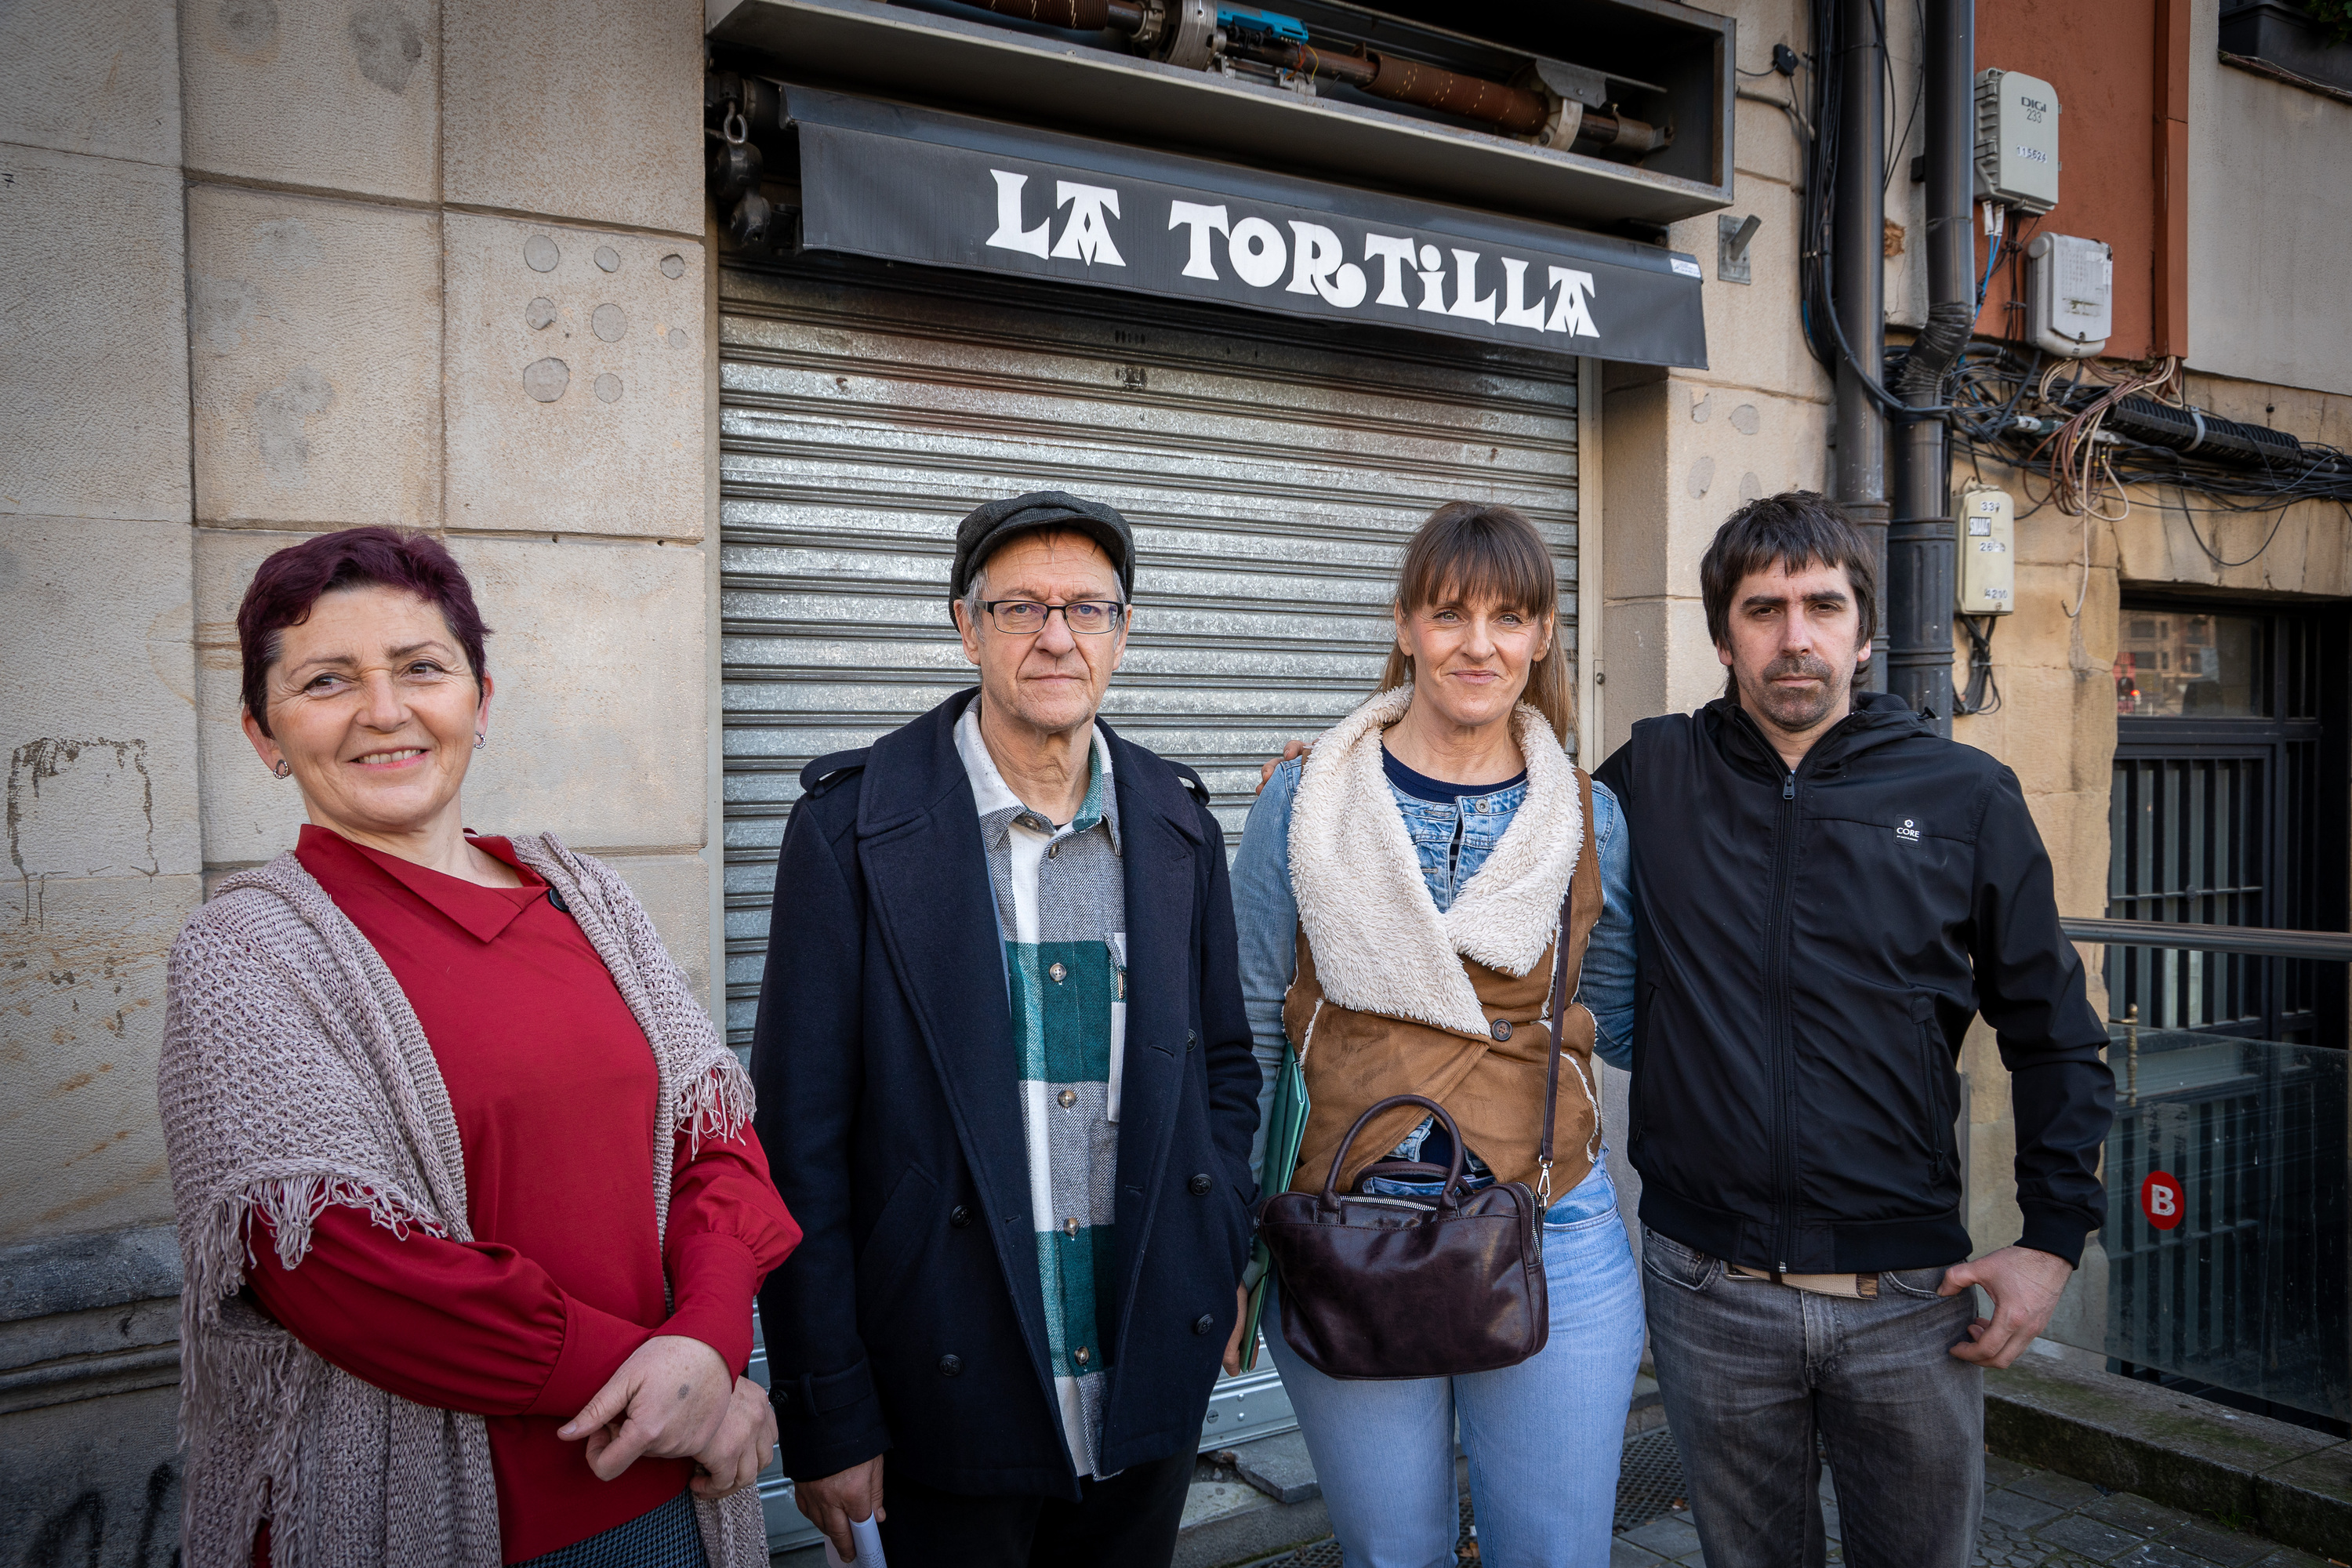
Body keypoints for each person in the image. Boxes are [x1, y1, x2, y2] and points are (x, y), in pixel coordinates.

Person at [158, 527, 800, 1568]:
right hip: (429, 1519)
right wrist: (673, 1381)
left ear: (480, 701)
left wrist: (715, 1339)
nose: (384, 709)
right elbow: (335, 1267)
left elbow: (715, 1140)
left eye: (422, 669)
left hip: (670, 1498)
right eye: (327, 680)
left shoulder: (591, 900)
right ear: (263, 734)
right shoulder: (245, 954)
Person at [1593, 492, 2114, 1566]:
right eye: (1763, 608)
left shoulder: (1966, 793)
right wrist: (1338, 773)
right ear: (1721, 633)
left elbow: (2054, 1030)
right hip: (1708, 1290)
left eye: (1823, 605)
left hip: (1911, 1301)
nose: (1796, 636)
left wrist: (2054, 1241)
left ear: (1863, 630)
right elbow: (1496, 813)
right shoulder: (1654, 772)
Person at [751, 492, 1261, 1567]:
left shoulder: (1178, 823)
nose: (1056, 635)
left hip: (1140, 1379)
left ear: (1123, 632)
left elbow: (1224, 1071)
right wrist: (828, 1412)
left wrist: (1213, 1257)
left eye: (1087, 607)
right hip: (944, 1390)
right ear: (964, 624)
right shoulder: (850, 829)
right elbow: (798, 1142)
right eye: (1021, 606)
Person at [1230, 501, 1644, 1568]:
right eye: (1450, 613)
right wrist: (1233, 1247)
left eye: (1511, 617)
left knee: (1556, 1553)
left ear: (1545, 637)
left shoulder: (1591, 819)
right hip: (1345, 1217)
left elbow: (1623, 1008)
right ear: (1406, 624)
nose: (1479, 644)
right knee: (1391, 1553)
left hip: (1549, 1219)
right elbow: (1244, 1019)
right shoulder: (1307, 800)